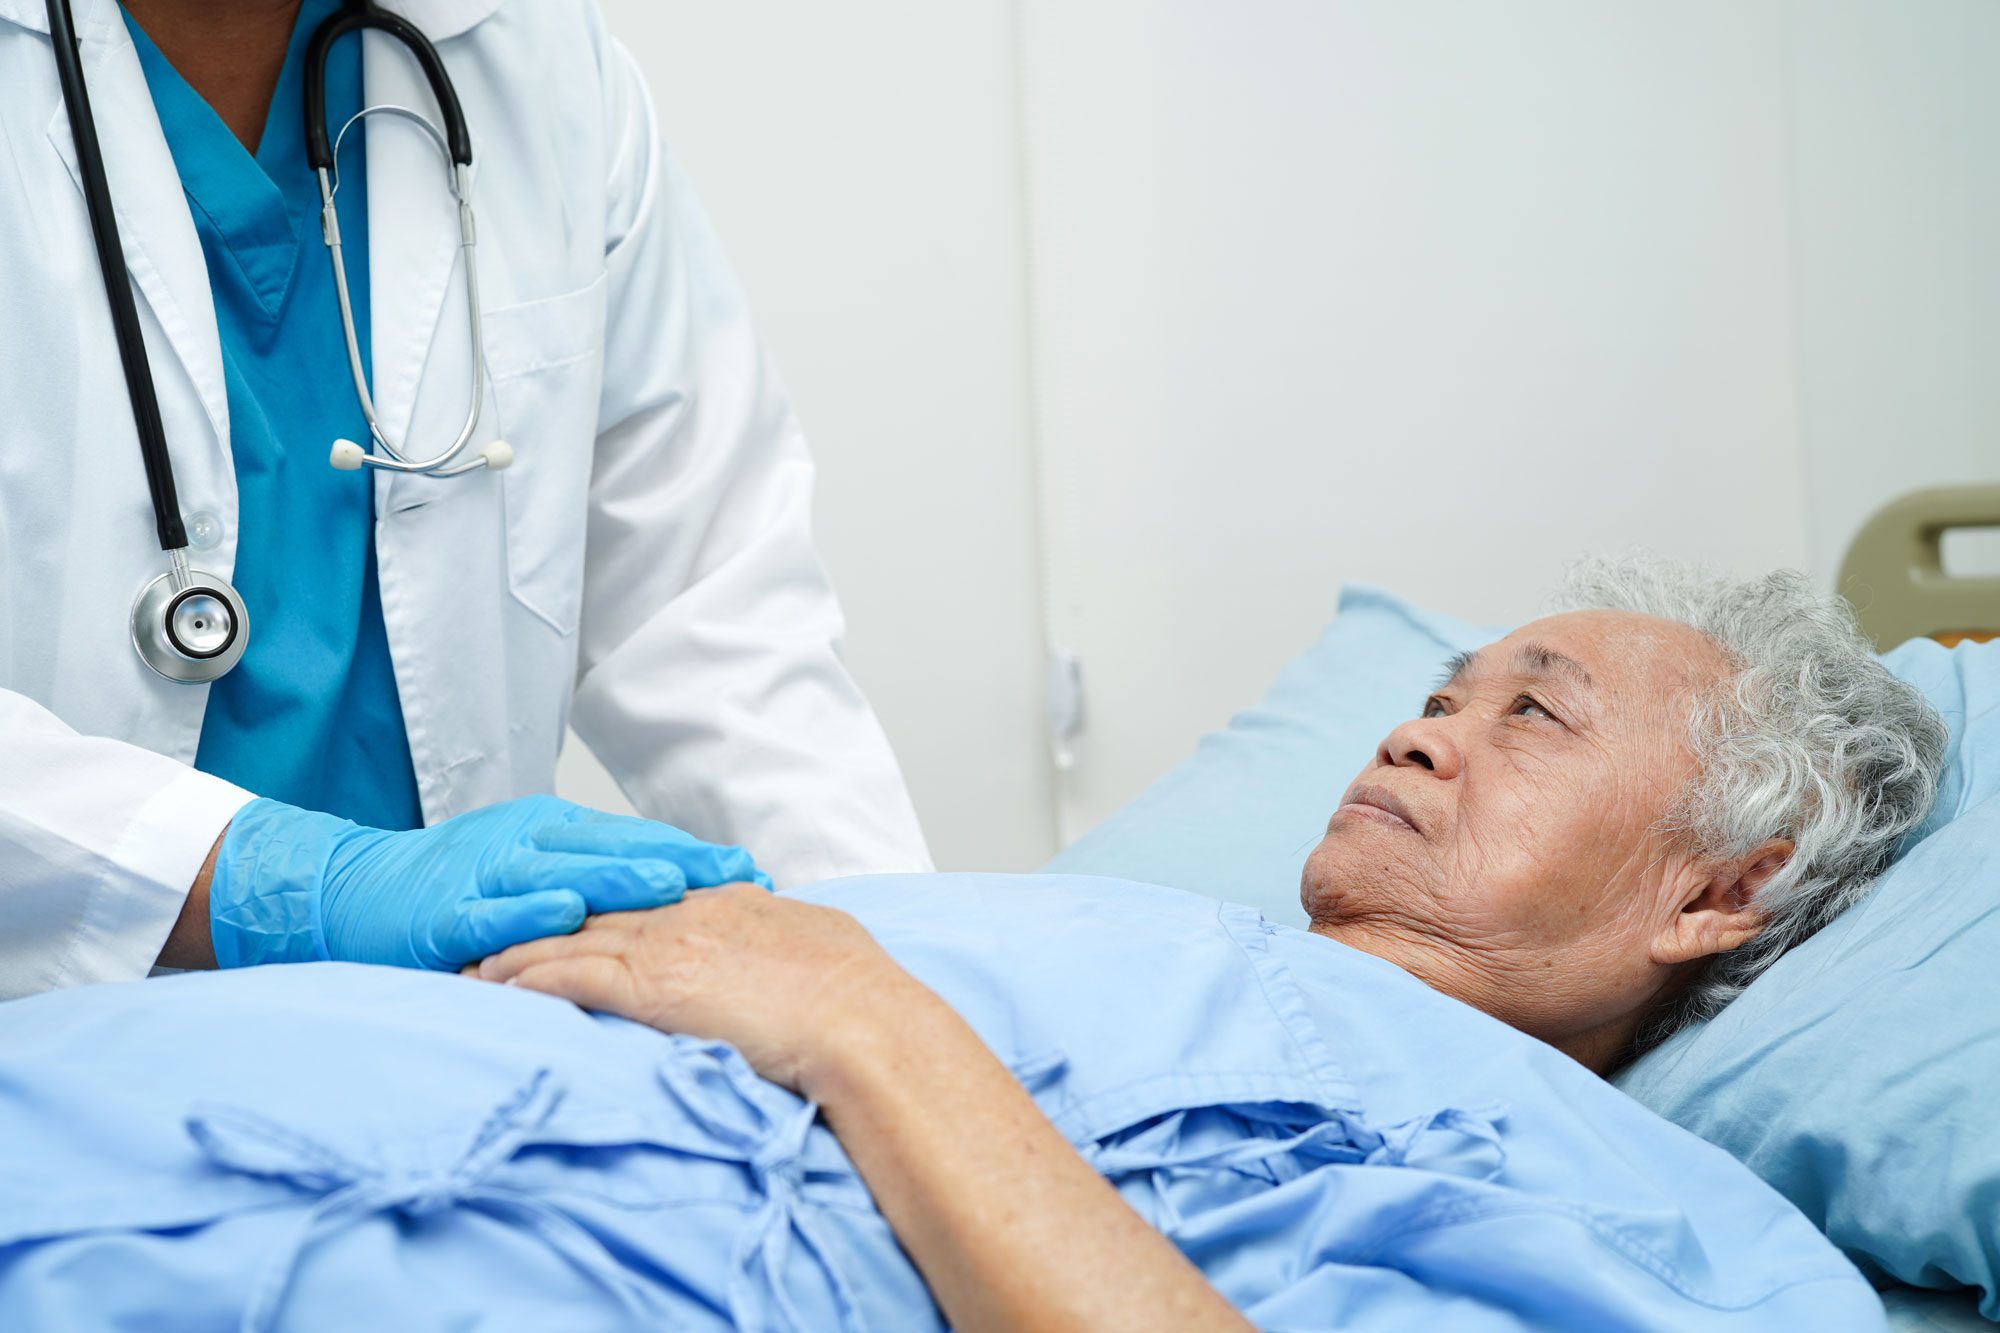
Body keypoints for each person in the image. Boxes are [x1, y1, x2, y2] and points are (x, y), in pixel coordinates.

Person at [0, 559, 1945, 1329]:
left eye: (1531, 712)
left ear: (1721, 889)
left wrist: (861, 1014)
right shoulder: (1141, 940)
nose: (1419, 724)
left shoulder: (1649, 1220)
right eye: (1436, 685)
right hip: (149, 1098)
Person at [0, 0, 929, 1000]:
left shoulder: (537, 59)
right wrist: (268, 878)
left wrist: (897, 989)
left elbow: (709, 619)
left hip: (454, 1037)